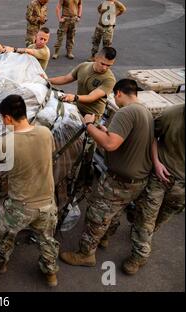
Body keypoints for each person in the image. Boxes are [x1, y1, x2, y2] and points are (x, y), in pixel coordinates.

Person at [0, 95, 60, 287]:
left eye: (2, 118)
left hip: (20, 207)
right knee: (47, 240)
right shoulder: (45, 133)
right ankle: (51, 274)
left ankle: (2, 263)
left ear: (7, 118)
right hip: (47, 204)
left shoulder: (4, 143)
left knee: (2, 233)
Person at [60, 79, 154, 267]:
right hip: (138, 179)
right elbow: (123, 139)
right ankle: (105, 237)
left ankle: (86, 254)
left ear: (118, 93)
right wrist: (103, 130)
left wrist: (89, 125)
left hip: (119, 180)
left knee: (97, 215)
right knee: (115, 212)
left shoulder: (125, 112)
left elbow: (110, 144)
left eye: (114, 95)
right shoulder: (144, 111)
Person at [124, 104, 184, 275]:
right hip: (161, 177)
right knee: (146, 218)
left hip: (181, 189)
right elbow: (152, 137)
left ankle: (142, 235)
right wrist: (156, 163)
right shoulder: (172, 114)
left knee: (160, 219)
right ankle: (139, 256)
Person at [49, 47, 117, 118]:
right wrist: (47, 80)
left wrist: (74, 97)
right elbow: (65, 78)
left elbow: (91, 97)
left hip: (91, 115)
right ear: (96, 58)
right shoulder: (84, 66)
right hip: (76, 107)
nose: (104, 68)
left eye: (108, 65)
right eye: (102, 64)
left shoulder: (109, 79)